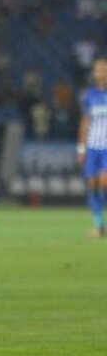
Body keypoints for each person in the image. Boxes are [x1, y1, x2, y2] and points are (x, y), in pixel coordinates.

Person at [78, 58, 107, 239]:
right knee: (91, 184)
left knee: (104, 181)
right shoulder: (89, 95)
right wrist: (81, 148)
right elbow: (85, 122)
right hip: (92, 147)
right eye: (98, 69)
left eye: (103, 68)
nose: (101, 71)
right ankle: (99, 226)